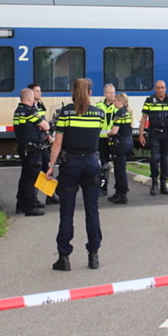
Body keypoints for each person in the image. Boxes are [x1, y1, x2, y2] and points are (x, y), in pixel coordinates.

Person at [46, 78, 105, 271]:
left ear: (73, 92)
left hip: (70, 165)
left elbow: (57, 143)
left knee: (67, 212)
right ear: (89, 93)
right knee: (92, 211)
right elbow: (97, 136)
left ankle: (64, 257)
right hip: (91, 164)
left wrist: (51, 166)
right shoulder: (99, 114)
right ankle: (93, 255)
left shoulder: (66, 112)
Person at [138, 80, 168, 195]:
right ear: (155, 89)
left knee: (165, 160)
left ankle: (163, 184)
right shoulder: (150, 100)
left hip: (167, 134)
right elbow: (144, 117)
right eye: (158, 88)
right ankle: (154, 182)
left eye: (162, 88)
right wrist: (141, 134)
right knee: (154, 158)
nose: (160, 90)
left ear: (165, 88)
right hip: (154, 133)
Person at [13, 88, 50, 217]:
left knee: (25, 176)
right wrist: (41, 125)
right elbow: (46, 126)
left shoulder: (18, 111)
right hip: (32, 149)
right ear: (29, 98)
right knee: (31, 178)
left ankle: (21, 204)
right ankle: (30, 206)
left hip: (24, 147)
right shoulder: (29, 112)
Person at [29, 82, 59, 206]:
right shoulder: (30, 108)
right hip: (36, 142)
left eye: (40, 91)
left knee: (47, 169)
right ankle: (34, 198)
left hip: (43, 140)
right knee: (36, 172)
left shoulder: (39, 106)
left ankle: (50, 195)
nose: (40, 93)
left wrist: (47, 133)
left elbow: (43, 122)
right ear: (31, 93)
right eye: (37, 91)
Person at [107, 93, 134, 204]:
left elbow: (114, 131)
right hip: (128, 142)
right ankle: (118, 192)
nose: (114, 103)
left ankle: (122, 194)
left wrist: (108, 134)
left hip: (120, 144)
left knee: (120, 170)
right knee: (120, 168)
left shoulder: (119, 114)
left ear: (121, 102)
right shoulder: (128, 112)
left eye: (116, 101)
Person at [96, 84, 117, 197]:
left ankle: (118, 189)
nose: (112, 95)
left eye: (113, 92)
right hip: (101, 140)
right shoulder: (98, 107)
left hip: (114, 139)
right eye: (110, 93)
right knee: (102, 164)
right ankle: (102, 187)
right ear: (105, 94)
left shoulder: (117, 106)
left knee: (116, 164)